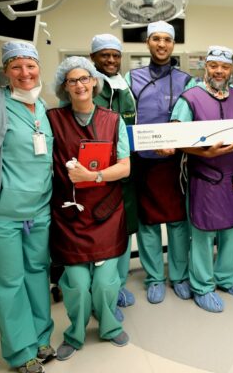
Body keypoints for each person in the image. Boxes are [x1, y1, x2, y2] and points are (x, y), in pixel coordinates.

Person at [0, 41, 54, 373]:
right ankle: (21, 352)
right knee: (7, 282)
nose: (25, 73)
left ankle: (41, 338)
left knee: (36, 276)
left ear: (39, 68)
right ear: (5, 71)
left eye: (30, 65)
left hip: (38, 212)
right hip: (0, 214)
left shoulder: (43, 107)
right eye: (16, 66)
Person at [49, 56, 131, 361]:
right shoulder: (53, 119)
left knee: (107, 283)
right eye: (73, 80)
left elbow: (124, 168)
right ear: (64, 87)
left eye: (85, 78)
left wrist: (93, 175)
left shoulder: (113, 120)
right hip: (70, 216)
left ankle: (109, 327)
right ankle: (75, 333)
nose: (80, 85)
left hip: (106, 213)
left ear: (94, 82)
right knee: (77, 284)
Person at [171, 45, 233, 312]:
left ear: (231, 69)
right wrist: (206, 152)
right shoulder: (190, 98)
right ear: (206, 66)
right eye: (214, 65)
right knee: (203, 233)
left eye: (225, 66)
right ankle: (202, 286)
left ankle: (227, 277)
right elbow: (176, 140)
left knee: (231, 229)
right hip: (203, 177)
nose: (219, 71)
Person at [125, 21, 195, 303]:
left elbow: (191, 116)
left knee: (178, 222)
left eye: (167, 39)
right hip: (143, 161)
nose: (162, 44)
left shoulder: (186, 80)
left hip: (175, 163)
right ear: (148, 43)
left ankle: (178, 275)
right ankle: (154, 277)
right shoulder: (132, 78)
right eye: (156, 39)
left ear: (173, 45)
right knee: (148, 223)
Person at [89, 33, 137, 319]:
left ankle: (117, 284)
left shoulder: (124, 88)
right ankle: (101, 294)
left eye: (115, 55)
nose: (110, 60)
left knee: (124, 229)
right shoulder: (88, 86)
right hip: (96, 175)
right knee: (101, 235)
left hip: (126, 171)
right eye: (104, 55)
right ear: (93, 57)